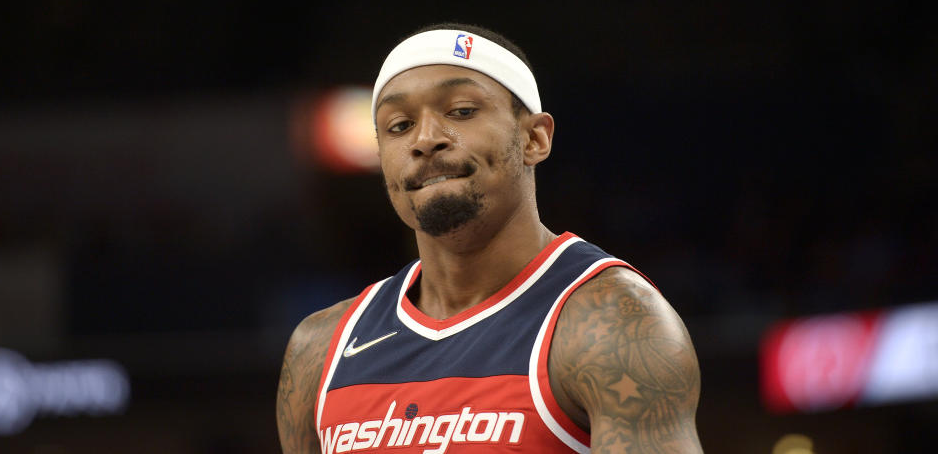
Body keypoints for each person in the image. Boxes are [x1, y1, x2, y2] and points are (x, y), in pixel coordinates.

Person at [277, 23, 702, 454]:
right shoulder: (319, 349)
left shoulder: (611, 324)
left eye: (461, 111)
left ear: (535, 138)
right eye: (400, 125)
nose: (425, 140)